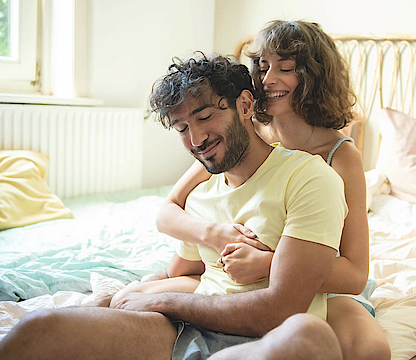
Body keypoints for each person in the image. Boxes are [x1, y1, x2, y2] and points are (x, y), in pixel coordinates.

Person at [0, 54, 349, 360]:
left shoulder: (308, 178)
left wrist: (169, 303)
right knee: (39, 328)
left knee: (309, 335)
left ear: (244, 105)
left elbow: (281, 308)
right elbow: (185, 272)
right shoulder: (201, 196)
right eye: (181, 128)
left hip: (263, 342)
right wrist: (130, 296)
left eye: (205, 117)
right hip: (183, 334)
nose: (196, 140)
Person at [113, 20, 391, 360]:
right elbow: (170, 208)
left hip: (323, 285)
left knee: (371, 352)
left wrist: (269, 264)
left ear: (314, 77)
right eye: (261, 67)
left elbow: (354, 274)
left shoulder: (340, 156)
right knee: (129, 299)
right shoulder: (243, 136)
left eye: (285, 68)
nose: (267, 79)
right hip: (230, 273)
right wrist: (215, 234)